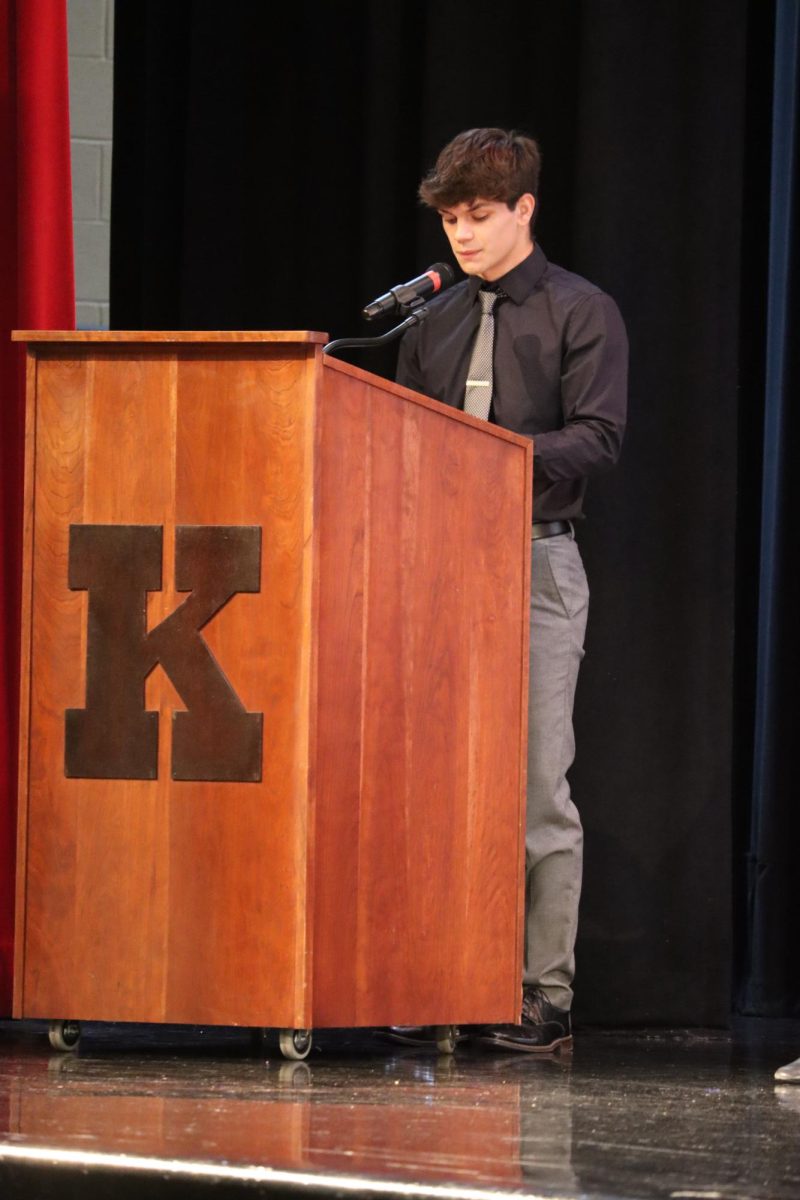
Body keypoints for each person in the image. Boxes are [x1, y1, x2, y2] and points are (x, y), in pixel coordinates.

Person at [394, 128, 628, 1052]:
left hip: (535, 561)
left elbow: (601, 437)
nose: (463, 235)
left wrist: (496, 462)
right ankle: (430, 973)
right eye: (451, 219)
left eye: (479, 217)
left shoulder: (581, 310)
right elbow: (404, 436)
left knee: (534, 784)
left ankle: (544, 993)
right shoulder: (433, 317)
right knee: (431, 779)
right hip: (437, 568)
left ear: (525, 209)